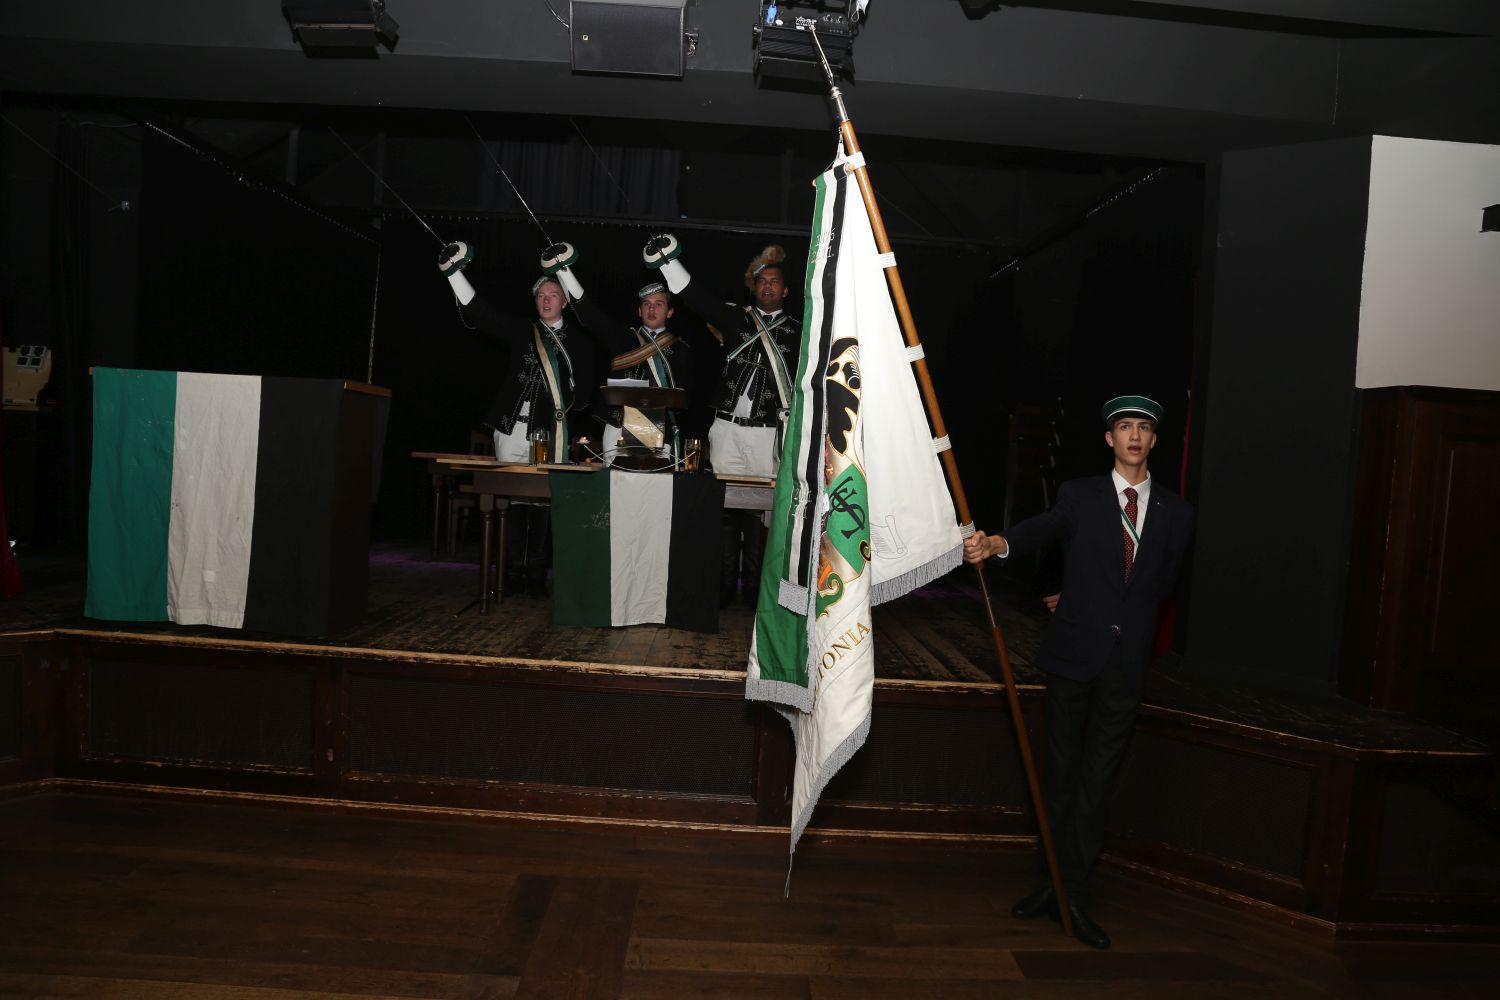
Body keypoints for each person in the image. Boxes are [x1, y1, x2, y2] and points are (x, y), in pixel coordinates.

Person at [963, 395, 1194, 950]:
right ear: (1110, 439)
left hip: (1127, 665)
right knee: (1060, 776)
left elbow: (1158, 586)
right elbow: (1045, 528)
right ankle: (1050, 884)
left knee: (1097, 782)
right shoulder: (1080, 495)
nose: (1134, 436)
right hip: (1072, 657)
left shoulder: (1177, 512)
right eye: (1124, 427)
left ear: (1154, 440)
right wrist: (997, 543)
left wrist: (1092, 598)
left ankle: (1074, 892)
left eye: (1144, 428)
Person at [643, 234, 800, 605]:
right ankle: (725, 588)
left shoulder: (800, 333)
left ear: (785, 291)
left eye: (774, 282)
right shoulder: (735, 319)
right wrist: (666, 262)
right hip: (727, 428)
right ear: (754, 288)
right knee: (725, 507)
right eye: (761, 282)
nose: (767, 286)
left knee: (762, 511)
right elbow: (694, 295)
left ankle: (756, 592)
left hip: (768, 434)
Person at [438, 241, 602, 595]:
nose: (546, 300)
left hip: (550, 432)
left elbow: (586, 394)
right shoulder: (521, 330)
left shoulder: (579, 342)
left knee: (541, 498)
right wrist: (454, 274)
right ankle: (512, 572)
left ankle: (536, 573)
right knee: (513, 498)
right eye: (541, 295)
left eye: (553, 294)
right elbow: (481, 314)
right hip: (511, 429)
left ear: (565, 301)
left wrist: (565, 409)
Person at [539, 242, 697, 466]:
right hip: (618, 425)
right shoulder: (624, 338)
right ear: (639, 310)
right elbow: (589, 314)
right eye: (646, 304)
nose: (651, 309)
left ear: (670, 312)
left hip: (658, 427)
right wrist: (563, 270)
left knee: (652, 486)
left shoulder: (681, 349)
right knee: (614, 484)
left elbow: (685, 399)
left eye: (659, 304)